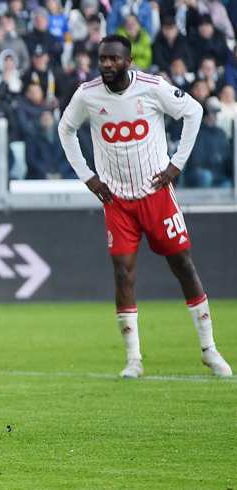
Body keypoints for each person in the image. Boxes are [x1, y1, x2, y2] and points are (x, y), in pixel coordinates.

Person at [57, 35, 232, 378]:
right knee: (123, 273)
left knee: (183, 265)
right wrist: (88, 177)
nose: (107, 65)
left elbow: (193, 111)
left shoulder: (152, 88)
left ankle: (209, 349)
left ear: (129, 61)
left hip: (156, 195)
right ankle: (134, 359)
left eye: (114, 59)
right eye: (103, 59)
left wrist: (176, 164)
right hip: (116, 201)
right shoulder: (88, 94)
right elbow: (66, 129)